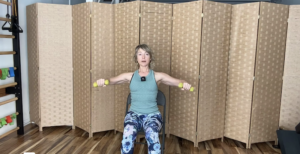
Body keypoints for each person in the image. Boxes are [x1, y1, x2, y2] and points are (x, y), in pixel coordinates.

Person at [96, 44, 192, 154]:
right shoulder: (130, 76)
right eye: (140, 54)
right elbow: (112, 80)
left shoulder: (157, 76)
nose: (143, 57)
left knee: (152, 135)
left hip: (153, 115)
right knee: (128, 134)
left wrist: (185, 84)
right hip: (133, 114)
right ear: (136, 58)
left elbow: (178, 81)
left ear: (150, 58)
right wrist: (103, 81)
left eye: (146, 54)